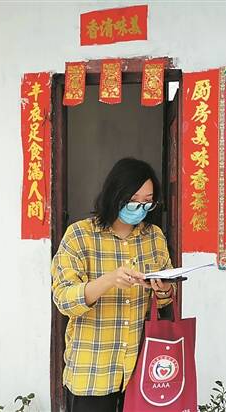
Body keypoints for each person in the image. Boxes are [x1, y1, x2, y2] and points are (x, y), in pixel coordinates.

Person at [51, 158, 175, 412]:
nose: (140, 208)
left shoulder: (154, 236)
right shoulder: (79, 235)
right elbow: (64, 300)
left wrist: (164, 290)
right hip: (93, 371)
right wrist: (108, 280)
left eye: (147, 201)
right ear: (114, 195)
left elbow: (165, 298)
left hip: (142, 369)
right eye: (133, 200)